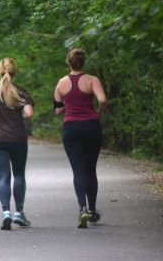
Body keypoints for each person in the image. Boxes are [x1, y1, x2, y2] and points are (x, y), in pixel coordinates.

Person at [53, 48, 107, 228]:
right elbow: (103, 99)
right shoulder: (92, 80)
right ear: (84, 62)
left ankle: (82, 209)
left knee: (78, 170)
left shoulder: (61, 83)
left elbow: (57, 109)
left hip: (71, 129)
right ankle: (92, 210)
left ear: (68, 62)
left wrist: (64, 108)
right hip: (91, 126)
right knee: (90, 169)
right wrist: (99, 111)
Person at [0, 58, 34, 230]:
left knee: (3, 176)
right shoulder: (21, 91)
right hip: (17, 138)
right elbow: (29, 113)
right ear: (14, 71)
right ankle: (19, 213)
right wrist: (16, 117)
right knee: (19, 175)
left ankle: (5, 213)